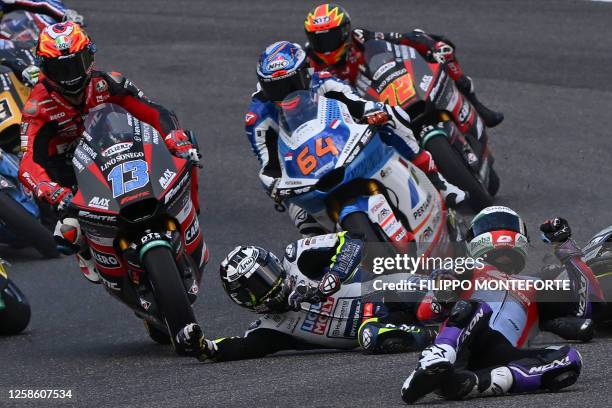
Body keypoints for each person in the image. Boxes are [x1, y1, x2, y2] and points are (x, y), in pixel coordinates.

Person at [18, 22, 200, 282]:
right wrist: (49, 189)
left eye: (75, 63)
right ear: (46, 69)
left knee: (187, 147)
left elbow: (154, 111)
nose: (70, 75)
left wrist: (174, 137)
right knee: (66, 232)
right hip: (66, 172)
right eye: (60, 68)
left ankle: (188, 210)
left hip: (110, 149)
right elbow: (27, 162)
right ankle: (87, 251)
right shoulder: (37, 107)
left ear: (89, 57)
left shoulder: (108, 82)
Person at [246, 40, 466, 236]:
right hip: (304, 169)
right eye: (274, 88)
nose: (284, 95)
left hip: (341, 141)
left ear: (305, 73)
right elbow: (268, 164)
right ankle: (325, 260)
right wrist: (273, 185)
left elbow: (357, 104)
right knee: (297, 210)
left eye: (290, 85)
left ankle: (439, 181)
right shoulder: (258, 116)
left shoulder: (322, 82)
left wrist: (375, 113)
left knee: (393, 117)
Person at [400, 207, 604, 403]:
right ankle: (431, 363)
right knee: (474, 306)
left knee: (570, 359)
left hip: (502, 353)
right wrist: (443, 296)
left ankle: (473, 383)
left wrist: (564, 245)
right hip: (464, 343)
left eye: (511, 226)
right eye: (490, 225)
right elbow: (426, 312)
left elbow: (586, 303)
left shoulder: (535, 284)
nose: (502, 230)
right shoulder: (466, 267)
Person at [176, 232, 437, 361]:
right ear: (245, 300)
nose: (269, 284)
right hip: (372, 328)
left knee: (424, 297)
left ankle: (460, 290)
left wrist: (334, 275)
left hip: (379, 292)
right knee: (369, 335)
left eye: (267, 273)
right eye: (256, 286)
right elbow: (243, 347)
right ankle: (431, 337)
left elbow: (352, 240)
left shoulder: (298, 257)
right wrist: (203, 347)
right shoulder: (271, 327)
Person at [303, 3, 503, 128]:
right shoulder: (307, 62)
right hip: (351, 116)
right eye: (319, 40)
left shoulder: (359, 38)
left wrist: (432, 44)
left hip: (385, 90)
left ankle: (477, 107)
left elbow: (401, 38)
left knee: (444, 51)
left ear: (345, 31)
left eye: (331, 37)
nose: (326, 46)